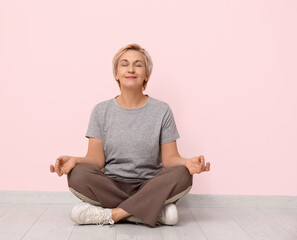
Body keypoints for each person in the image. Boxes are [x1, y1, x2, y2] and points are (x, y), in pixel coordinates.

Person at [50, 43, 211, 228]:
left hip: (150, 185)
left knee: (183, 174)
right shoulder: (101, 111)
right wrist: (74, 161)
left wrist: (187, 163)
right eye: (124, 64)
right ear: (116, 74)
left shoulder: (162, 110)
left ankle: (113, 214)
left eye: (138, 64)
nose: (131, 69)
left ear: (146, 75)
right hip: (111, 185)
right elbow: (96, 160)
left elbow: (170, 160)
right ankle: (152, 212)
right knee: (77, 174)